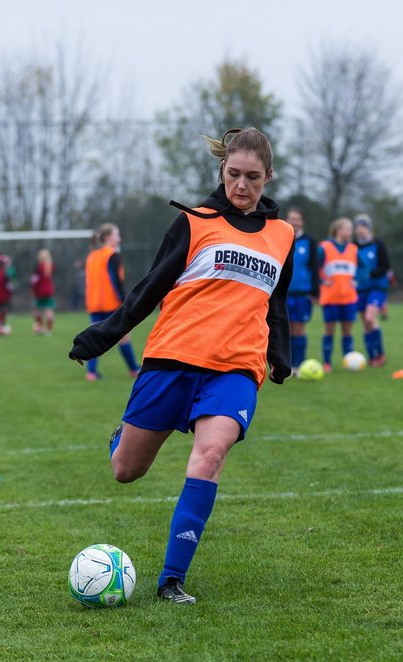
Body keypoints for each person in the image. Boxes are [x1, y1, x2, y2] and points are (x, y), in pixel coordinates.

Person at [69, 127, 295, 605]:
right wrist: (103, 335)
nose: (242, 186)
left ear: (269, 177)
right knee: (126, 470)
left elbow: (276, 302)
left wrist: (280, 357)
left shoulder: (283, 236)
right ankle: (121, 437)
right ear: (221, 170)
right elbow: (149, 288)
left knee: (210, 455)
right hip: (173, 359)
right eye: (233, 174)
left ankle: (171, 579)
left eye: (253, 178)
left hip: (235, 369)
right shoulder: (194, 222)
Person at [82, 223, 140, 381]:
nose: (119, 238)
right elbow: (116, 281)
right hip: (111, 303)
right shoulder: (112, 255)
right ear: (108, 238)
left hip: (94, 304)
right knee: (124, 336)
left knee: (95, 337)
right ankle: (134, 369)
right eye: (117, 235)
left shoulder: (92, 256)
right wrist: (125, 300)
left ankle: (91, 372)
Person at [316, 217, 359, 372]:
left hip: (349, 297)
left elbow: (364, 269)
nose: (350, 232)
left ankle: (349, 361)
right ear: (338, 230)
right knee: (329, 330)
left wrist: (358, 279)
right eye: (348, 229)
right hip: (330, 298)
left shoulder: (353, 249)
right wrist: (321, 280)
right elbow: (314, 268)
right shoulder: (324, 248)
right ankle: (327, 362)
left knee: (347, 331)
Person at [283, 207, 320, 369]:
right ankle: (286, 365)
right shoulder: (281, 238)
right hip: (284, 293)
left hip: (302, 293)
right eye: (291, 219)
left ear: (302, 221)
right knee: (285, 330)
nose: (294, 222)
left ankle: (299, 364)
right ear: (286, 220)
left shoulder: (310, 242)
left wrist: (315, 291)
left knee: (299, 329)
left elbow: (315, 267)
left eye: (297, 219)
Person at [354, 214, 392, 367]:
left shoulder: (378, 244)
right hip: (361, 289)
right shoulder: (354, 247)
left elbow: (385, 266)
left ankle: (380, 354)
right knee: (365, 323)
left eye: (363, 227)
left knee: (370, 318)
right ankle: (372, 356)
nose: (360, 230)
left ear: (369, 228)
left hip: (377, 287)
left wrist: (369, 273)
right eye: (357, 228)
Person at [30, 248, 56, 334]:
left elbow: (34, 280)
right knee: (49, 310)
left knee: (37, 310)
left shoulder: (38, 266)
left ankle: (40, 327)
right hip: (49, 291)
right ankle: (49, 330)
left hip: (39, 291)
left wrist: (33, 289)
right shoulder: (51, 266)